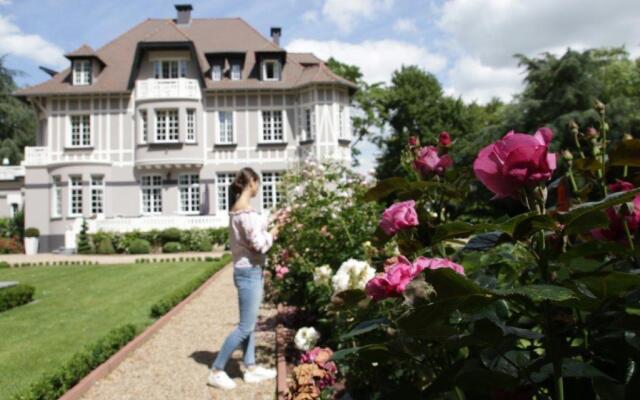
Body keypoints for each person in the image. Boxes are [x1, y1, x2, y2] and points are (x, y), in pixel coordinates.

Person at [208, 167, 280, 390]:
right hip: (249, 273)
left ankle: (250, 367)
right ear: (252, 183)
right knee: (245, 326)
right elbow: (258, 245)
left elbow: (254, 233)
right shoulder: (245, 213)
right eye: (258, 184)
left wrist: (272, 221)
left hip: (248, 272)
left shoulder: (239, 211)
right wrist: (275, 233)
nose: (259, 188)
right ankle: (217, 370)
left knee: (248, 324)